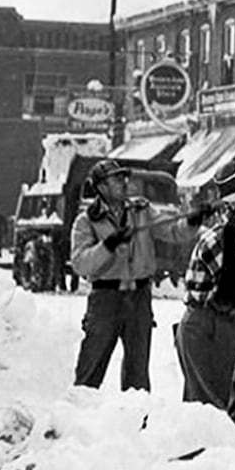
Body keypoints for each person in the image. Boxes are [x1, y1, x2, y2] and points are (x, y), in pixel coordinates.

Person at [70, 158, 199, 391]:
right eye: (116, 178)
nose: (124, 182)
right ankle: (78, 420)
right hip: (105, 301)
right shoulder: (86, 221)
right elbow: (81, 263)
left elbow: (172, 232)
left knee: (137, 375)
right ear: (101, 187)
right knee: (90, 370)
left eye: (123, 177)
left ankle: (136, 422)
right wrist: (107, 246)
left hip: (139, 298)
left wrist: (192, 221)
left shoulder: (141, 211)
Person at [174, 159, 235, 419]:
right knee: (211, 410)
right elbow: (216, 298)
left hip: (220, 325)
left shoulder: (234, 235)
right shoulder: (220, 240)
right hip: (208, 327)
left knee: (219, 409)